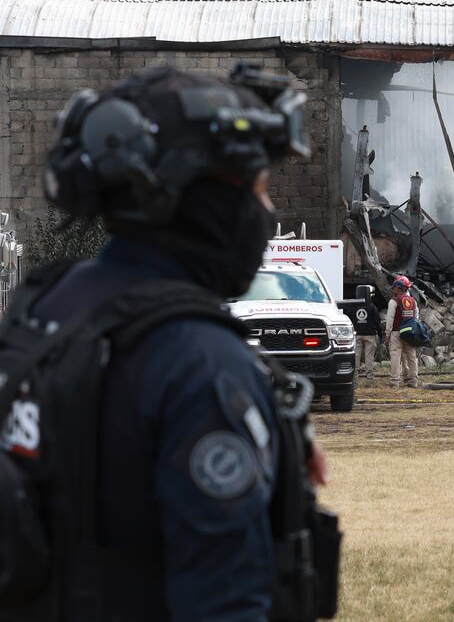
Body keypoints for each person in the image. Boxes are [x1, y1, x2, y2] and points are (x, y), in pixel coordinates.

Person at [0, 67, 335, 620]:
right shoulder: (199, 361)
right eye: (258, 189)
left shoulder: (44, 305)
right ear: (194, 197)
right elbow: (224, 602)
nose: (268, 212)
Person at [386, 275, 420, 388]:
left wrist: (387, 334)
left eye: (394, 287)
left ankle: (395, 382)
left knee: (395, 356)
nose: (393, 289)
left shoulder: (394, 301)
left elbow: (390, 319)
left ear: (398, 287)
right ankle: (413, 381)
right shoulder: (413, 301)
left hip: (396, 332)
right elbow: (416, 318)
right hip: (410, 333)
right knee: (411, 356)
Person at [353, 284, 384, 379]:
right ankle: (370, 374)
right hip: (370, 335)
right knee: (369, 355)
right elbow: (377, 322)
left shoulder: (352, 306)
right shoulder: (372, 307)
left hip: (357, 334)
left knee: (356, 354)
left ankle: (354, 374)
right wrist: (380, 334)